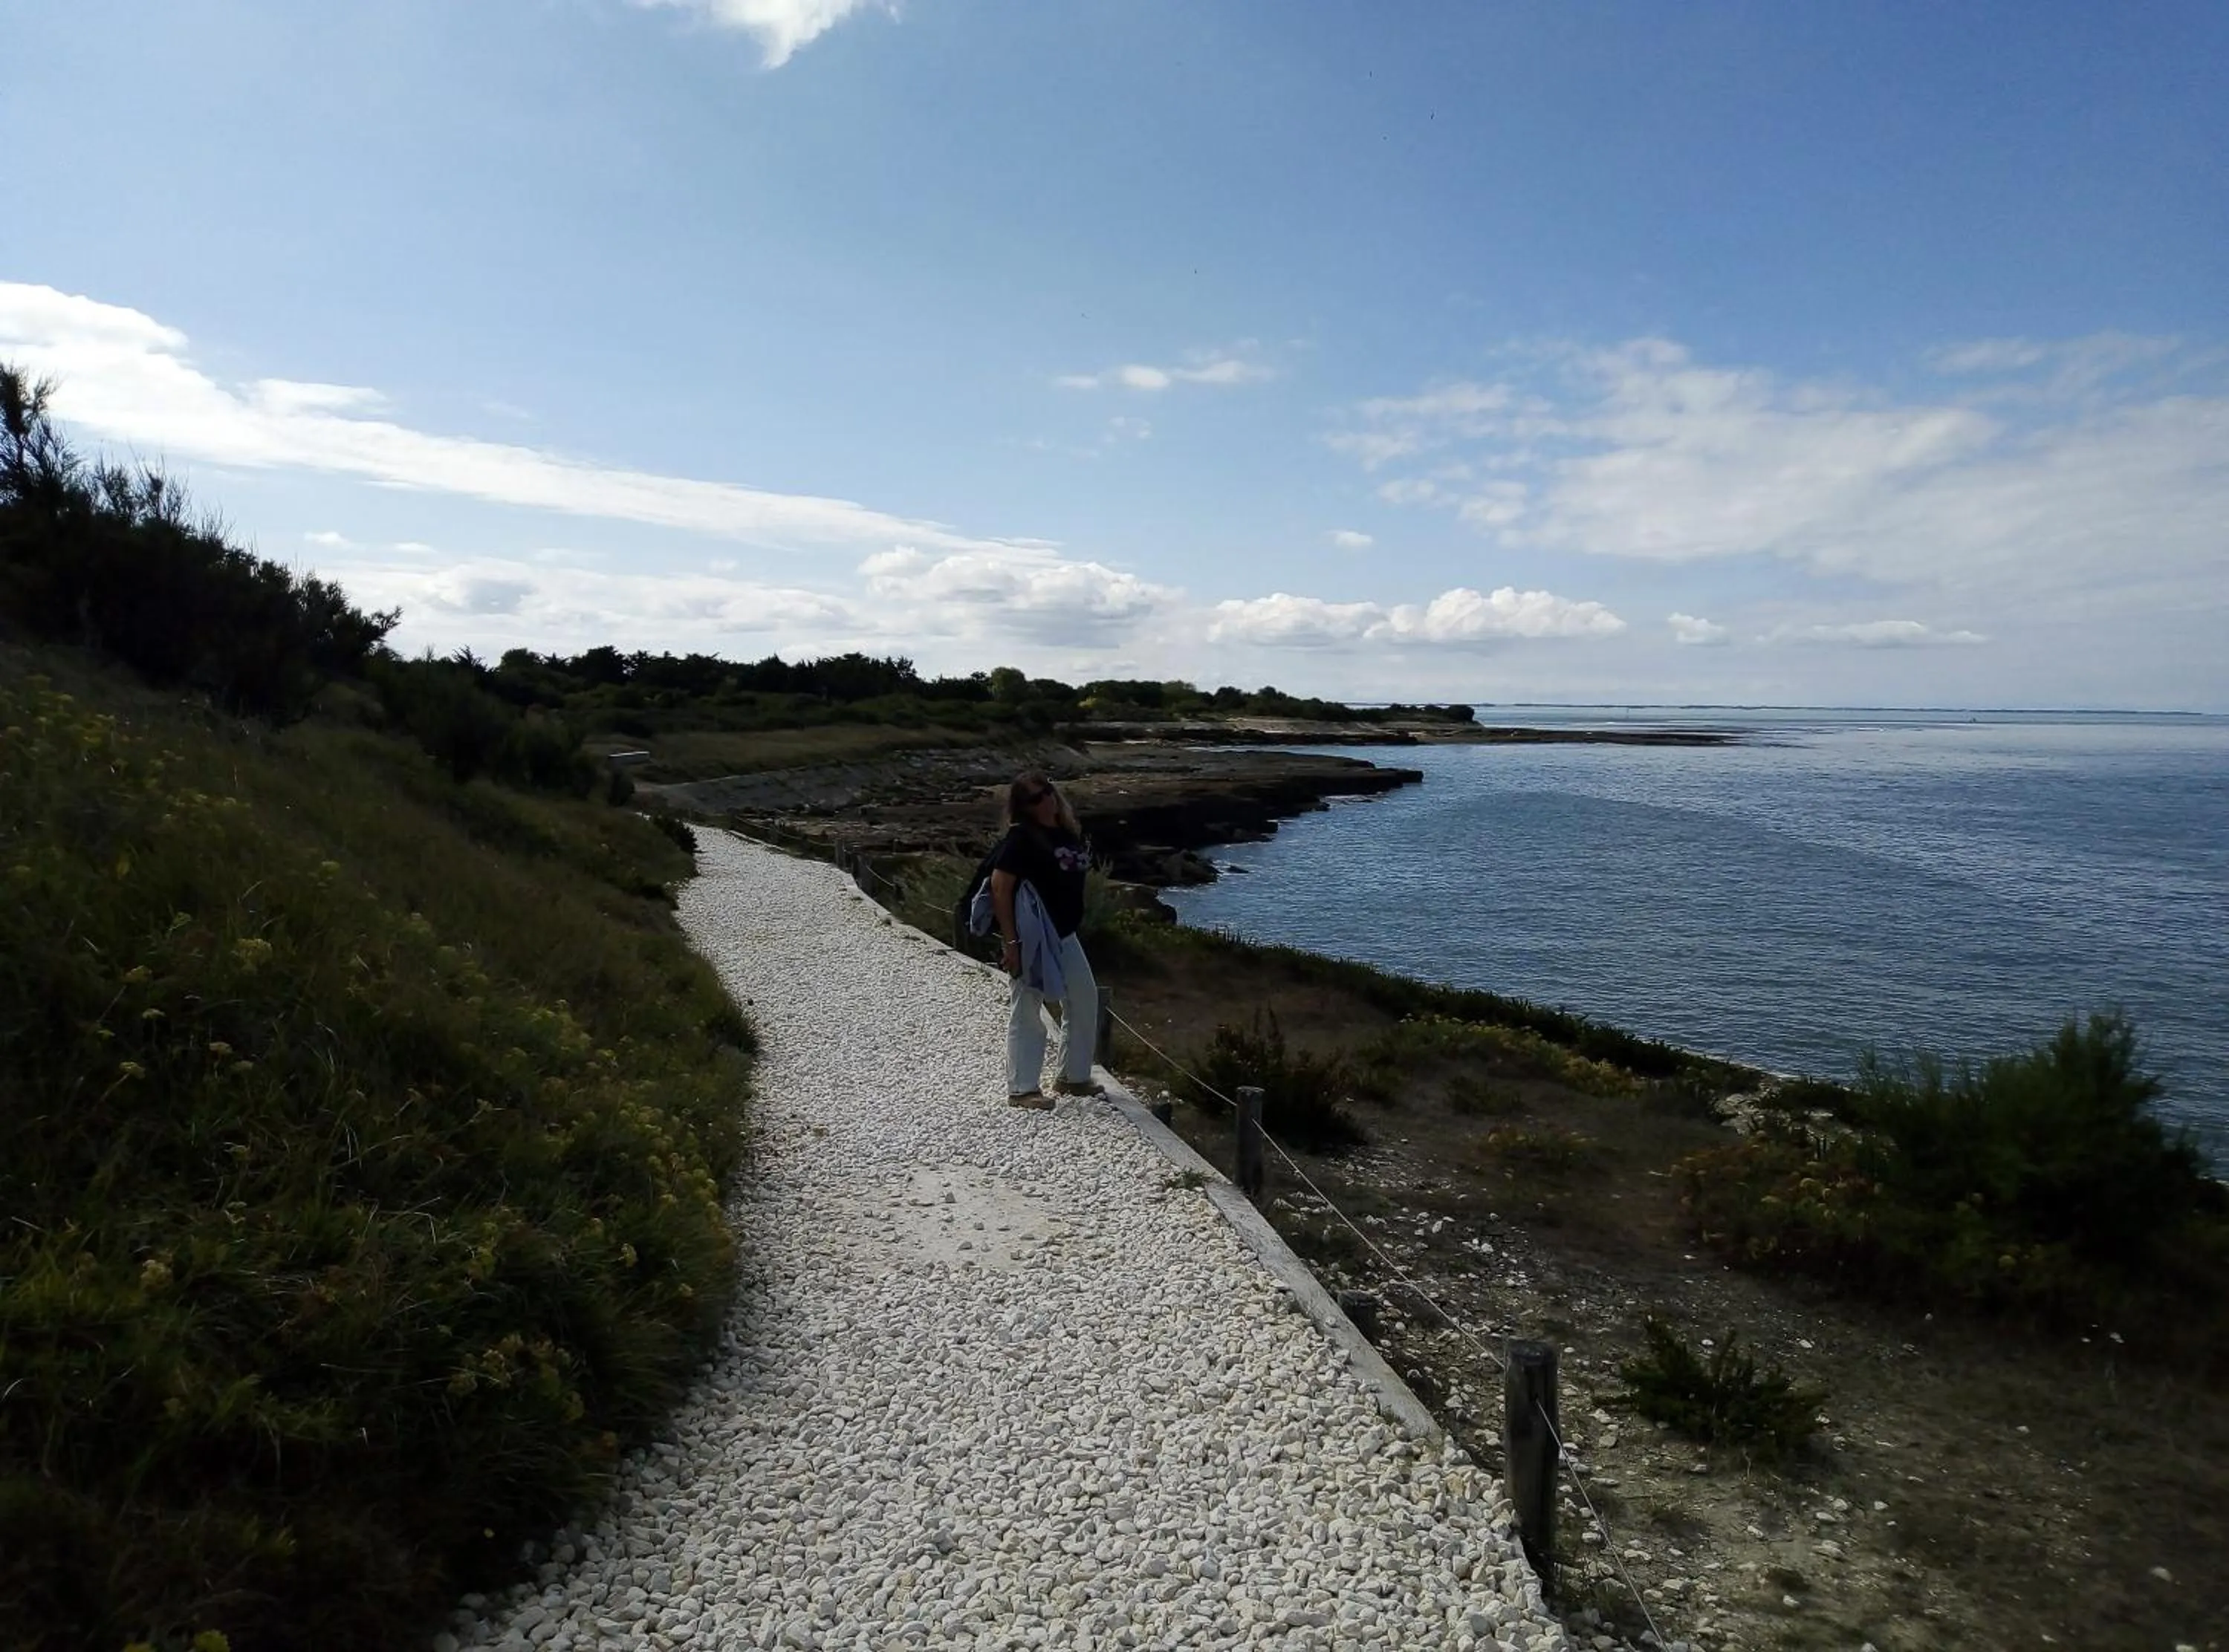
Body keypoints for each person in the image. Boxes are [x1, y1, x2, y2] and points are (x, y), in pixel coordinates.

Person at [988, 770, 1100, 1110]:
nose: (1046, 801)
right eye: (1035, 799)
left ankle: (1073, 1076)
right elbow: (999, 887)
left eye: (1047, 792)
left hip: (1064, 934)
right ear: (1023, 807)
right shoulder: (1021, 838)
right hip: (1034, 936)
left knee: (1084, 998)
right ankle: (1022, 1088)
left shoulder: (1064, 832)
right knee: (1027, 1007)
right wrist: (1012, 943)